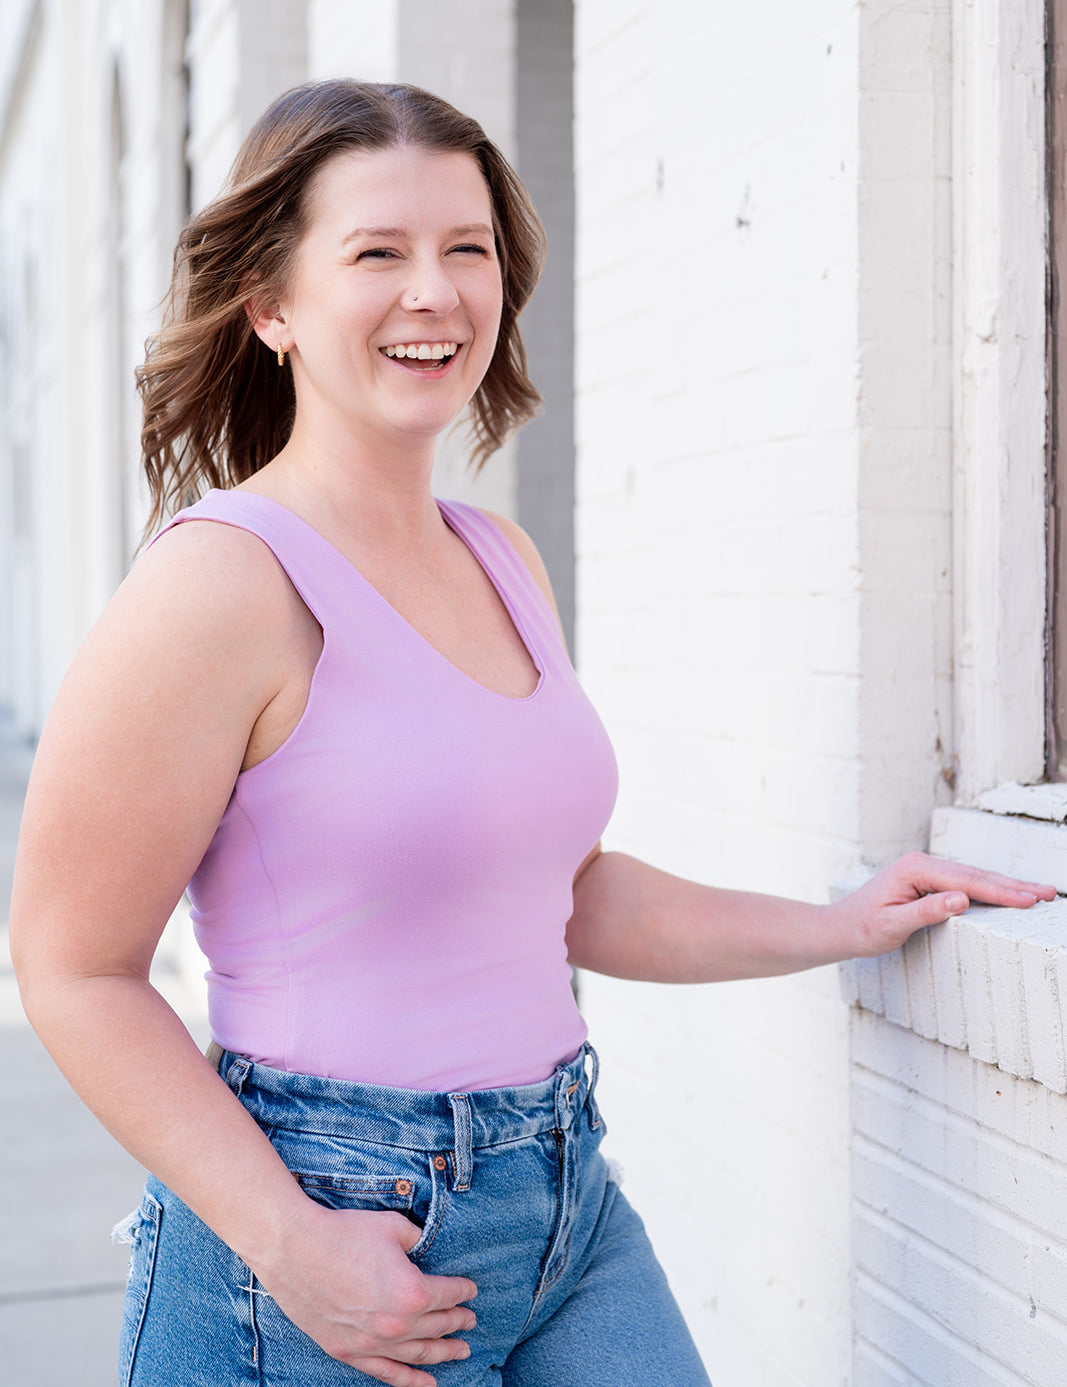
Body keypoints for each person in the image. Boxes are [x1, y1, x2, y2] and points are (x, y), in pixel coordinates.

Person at [9, 79, 1055, 1387]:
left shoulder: (497, 557)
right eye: (377, 253)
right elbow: (72, 967)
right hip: (328, 1220)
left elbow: (560, 898)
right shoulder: (219, 587)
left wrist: (844, 923)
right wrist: (292, 1243)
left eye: (468, 249)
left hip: (561, 1195)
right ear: (270, 305)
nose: (435, 293)